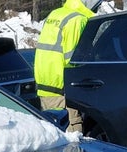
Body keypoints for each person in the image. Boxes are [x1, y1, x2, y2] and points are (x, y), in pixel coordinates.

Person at [34, 0, 96, 132]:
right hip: (62, 86)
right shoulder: (77, 19)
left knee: (52, 130)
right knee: (71, 131)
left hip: (46, 82)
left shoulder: (56, 14)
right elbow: (73, 58)